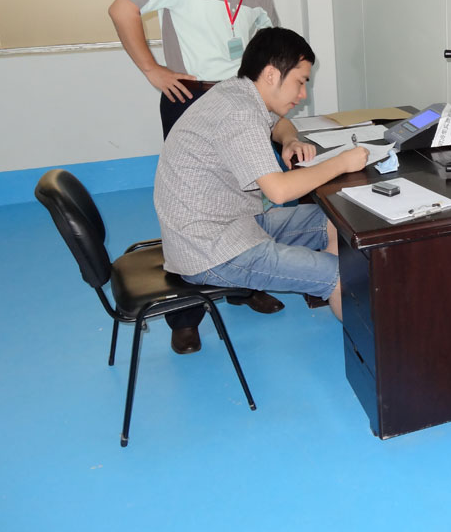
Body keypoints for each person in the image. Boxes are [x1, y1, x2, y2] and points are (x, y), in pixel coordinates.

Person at [109, 0, 302, 352]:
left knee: (247, 197)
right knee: (191, 207)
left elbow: (272, 57)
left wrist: (282, 120)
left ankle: (242, 285)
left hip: (242, 102)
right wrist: (153, 70)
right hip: (191, 100)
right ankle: (185, 315)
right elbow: (121, 9)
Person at [154, 27, 368, 352]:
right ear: (271, 74)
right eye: (300, 81)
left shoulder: (238, 92)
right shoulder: (239, 113)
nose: (303, 94)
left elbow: (277, 123)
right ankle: (372, 357)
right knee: (344, 273)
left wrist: (290, 139)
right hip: (213, 251)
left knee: (335, 223)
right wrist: (341, 162)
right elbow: (279, 192)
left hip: (230, 226)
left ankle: (327, 289)